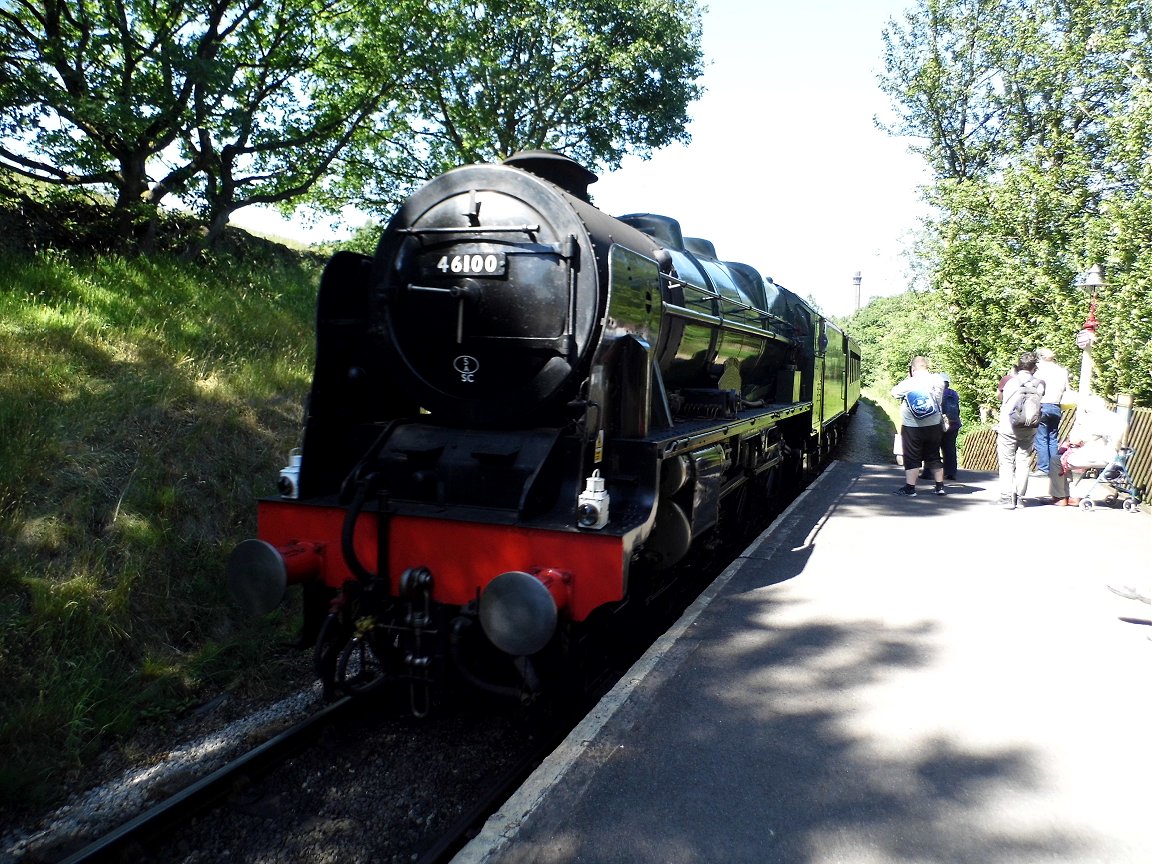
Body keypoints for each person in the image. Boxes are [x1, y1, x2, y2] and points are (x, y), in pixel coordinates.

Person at [1051, 395, 1127, 506]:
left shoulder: (1088, 419)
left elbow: (1075, 440)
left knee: (1057, 460)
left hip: (1089, 456)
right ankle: (1074, 495)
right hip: (1111, 457)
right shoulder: (1118, 419)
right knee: (1072, 461)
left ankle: (1061, 497)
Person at [890, 356, 947, 497]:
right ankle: (939, 487)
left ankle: (910, 488)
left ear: (913, 369)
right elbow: (938, 401)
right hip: (934, 424)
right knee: (934, 455)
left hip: (912, 425)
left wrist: (907, 380)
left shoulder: (909, 382)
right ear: (926, 366)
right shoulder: (938, 380)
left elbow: (894, 393)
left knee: (912, 456)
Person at [996, 351, 1044, 510]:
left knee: (1007, 462)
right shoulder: (1040, 384)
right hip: (1029, 427)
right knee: (1023, 461)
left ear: (1018, 365)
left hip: (1008, 427)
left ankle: (1006, 497)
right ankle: (1020, 497)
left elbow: (1001, 399)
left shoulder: (1010, 382)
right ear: (1034, 367)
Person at [1032, 348, 1069, 491]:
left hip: (1042, 405)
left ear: (1040, 357)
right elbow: (1067, 388)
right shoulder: (1062, 371)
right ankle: (1055, 467)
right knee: (1053, 437)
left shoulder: (1038, 370)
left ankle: (1044, 467)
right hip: (1056, 406)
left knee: (1041, 438)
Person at [940, 373, 962, 480]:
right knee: (950, 448)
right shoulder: (954, 393)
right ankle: (951, 472)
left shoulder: (938, 393)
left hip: (941, 423)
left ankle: (932, 471)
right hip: (954, 423)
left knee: (934, 447)